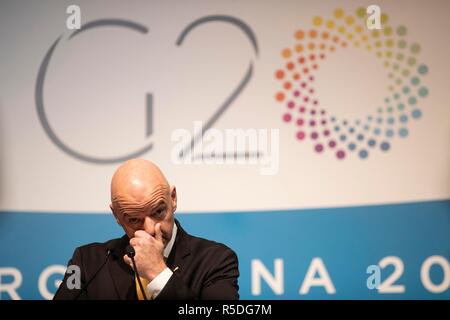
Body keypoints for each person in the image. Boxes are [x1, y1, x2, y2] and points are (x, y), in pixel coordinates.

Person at [54, 159, 239, 300]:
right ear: (116, 215)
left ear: (173, 198)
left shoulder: (217, 260)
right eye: (134, 219)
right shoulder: (87, 262)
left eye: (158, 212)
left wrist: (158, 273)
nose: (150, 229)